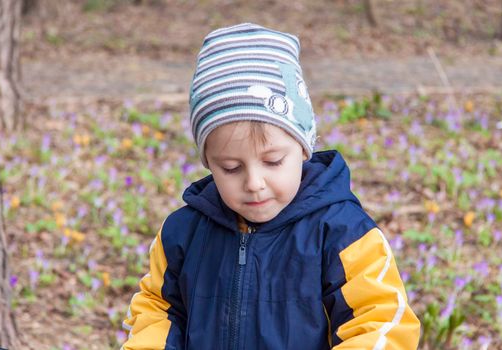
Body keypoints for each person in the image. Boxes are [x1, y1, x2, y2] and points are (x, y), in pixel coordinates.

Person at [121, 23, 420, 350]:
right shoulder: (183, 233)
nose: (254, 183)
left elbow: (379, 318)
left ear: (304, 148)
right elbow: (157, 308)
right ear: (208, 161)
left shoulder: (342, 233)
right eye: (231, 167)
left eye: (273, 161)